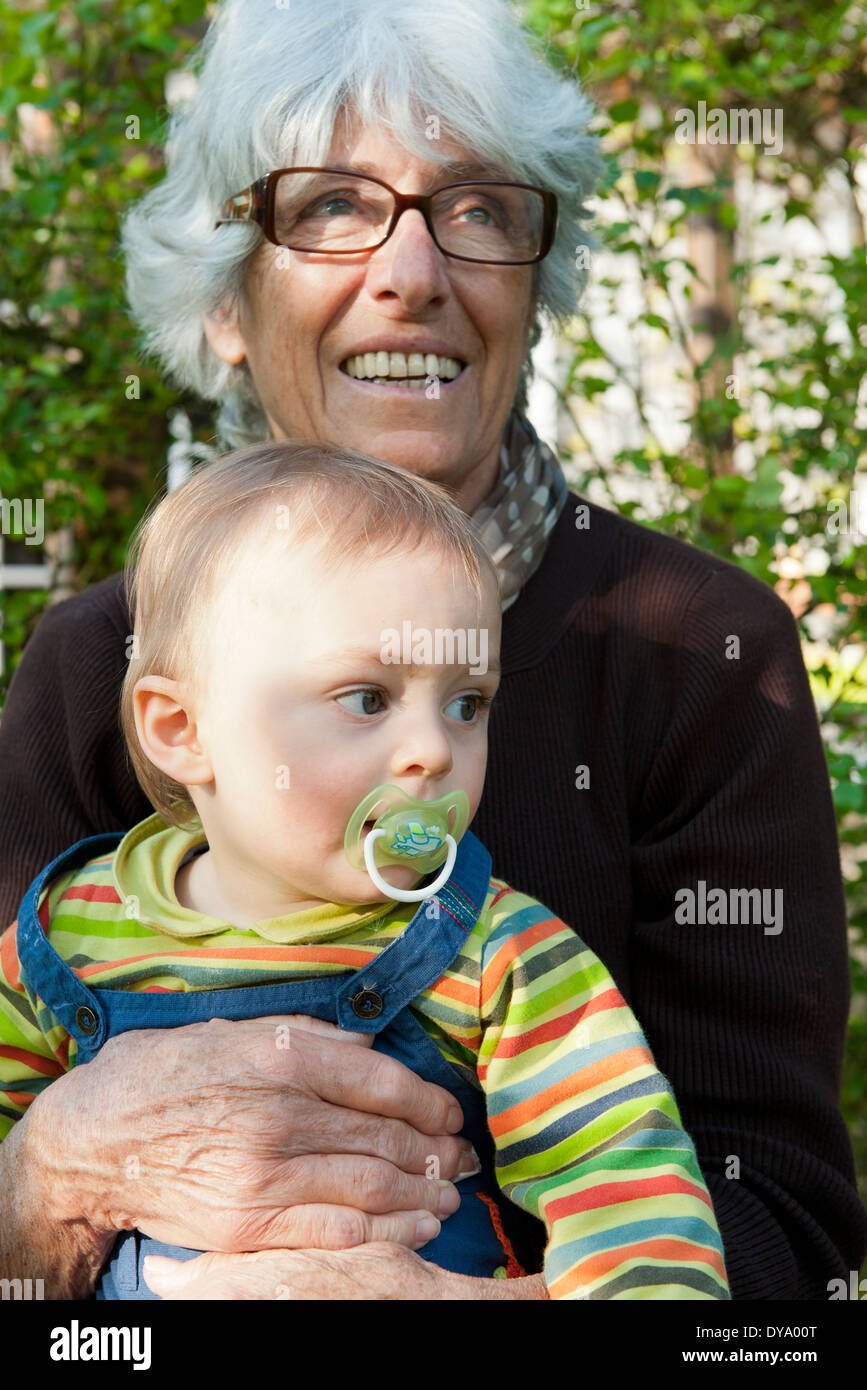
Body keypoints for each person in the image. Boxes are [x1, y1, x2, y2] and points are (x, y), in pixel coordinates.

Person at [0, 0, 863, 1301]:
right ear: (226, 301)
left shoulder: (700, 652)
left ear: (531, 286)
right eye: (333, 206)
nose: (411, 272)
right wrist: (52, 1180)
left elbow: (782, 1221)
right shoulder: (96, 663)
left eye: (475, 209)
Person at [0, 441, 731, 1303]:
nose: (431, 751)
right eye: (367, 699)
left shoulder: (500, 952)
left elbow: (623, 1179)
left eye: (467, 704)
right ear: (182, 730)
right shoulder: (63, 940)